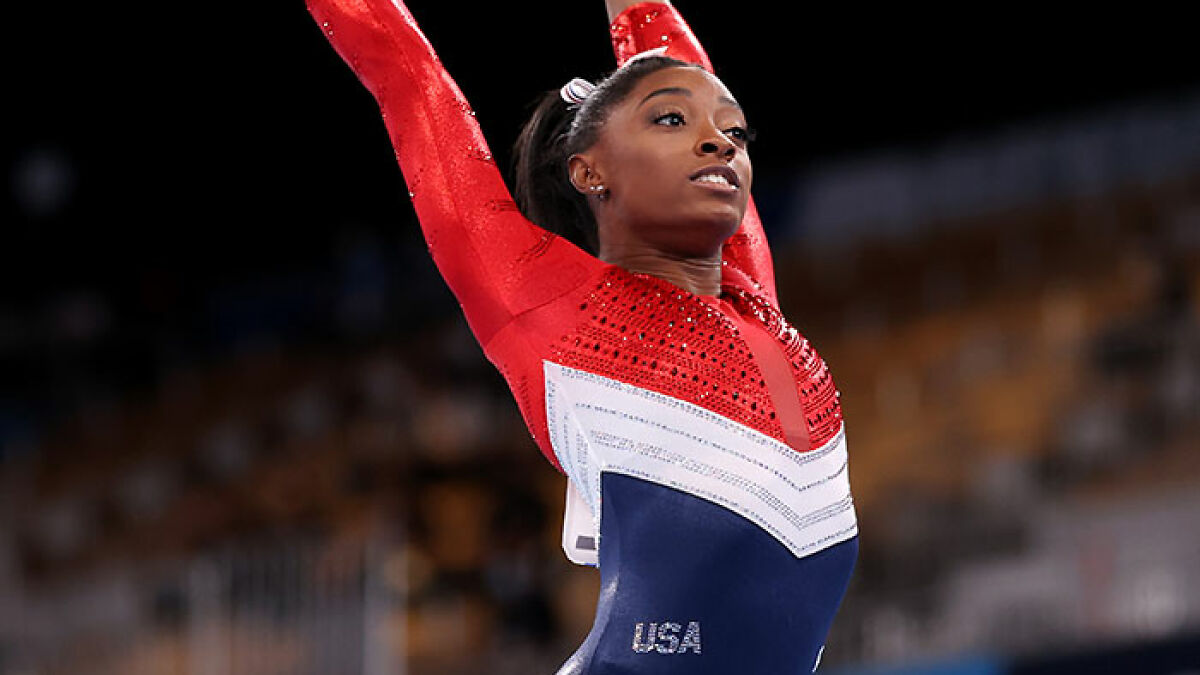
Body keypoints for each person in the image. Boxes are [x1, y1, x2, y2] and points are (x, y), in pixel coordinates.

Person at [305, 1, 858, 672]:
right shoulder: (548, 305)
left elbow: (670, 45)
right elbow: (407, 75)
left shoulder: (753, 303)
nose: (720, 143)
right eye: (671, 120)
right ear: (589, 170)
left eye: (735, 131)